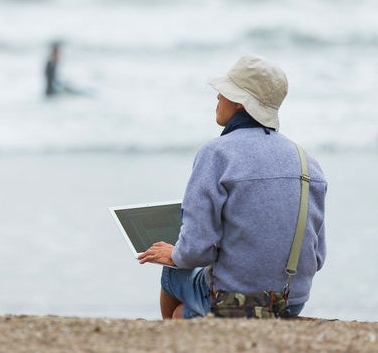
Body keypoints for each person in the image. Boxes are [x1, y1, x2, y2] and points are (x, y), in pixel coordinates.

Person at [137, 54, 327, 319]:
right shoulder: (307, 160)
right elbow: (317, 257)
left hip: (234, 300)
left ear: (240, 103)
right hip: (290, 300)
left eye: (223, 93)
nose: (217, 98)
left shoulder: (216, 153)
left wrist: (175, 253)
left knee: (172, 270)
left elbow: (196, 251)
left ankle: (177, 334)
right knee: (186, 308)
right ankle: (187, 317)